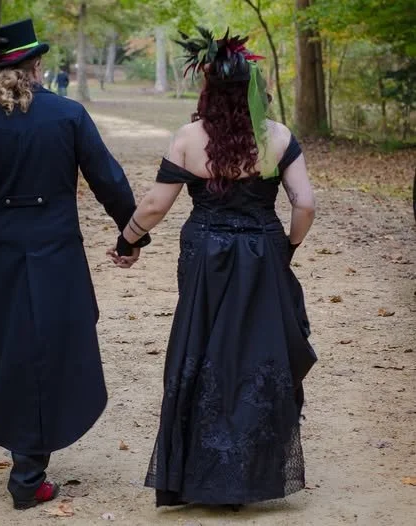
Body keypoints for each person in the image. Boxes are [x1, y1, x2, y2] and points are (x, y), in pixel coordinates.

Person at [0, 19, 148, 510]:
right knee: (53, 351)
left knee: (11, 350)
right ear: (36, 65)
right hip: (57, 256)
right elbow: (108, 179)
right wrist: (131, 235)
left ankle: (27, 465)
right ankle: (28, 472)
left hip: (0, 258)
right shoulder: (68, 115)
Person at [109, 28, 317, 508]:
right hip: (263, 251)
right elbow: (304, 203)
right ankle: (247, 474)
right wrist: (287, 247)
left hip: (206, 253)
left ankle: (200, 473)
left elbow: (155, 206)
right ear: (254, 86)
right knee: (257, 353)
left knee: (201, 350)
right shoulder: (278, 137)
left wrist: (128, 240)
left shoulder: (189, 138)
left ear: (210, 88)